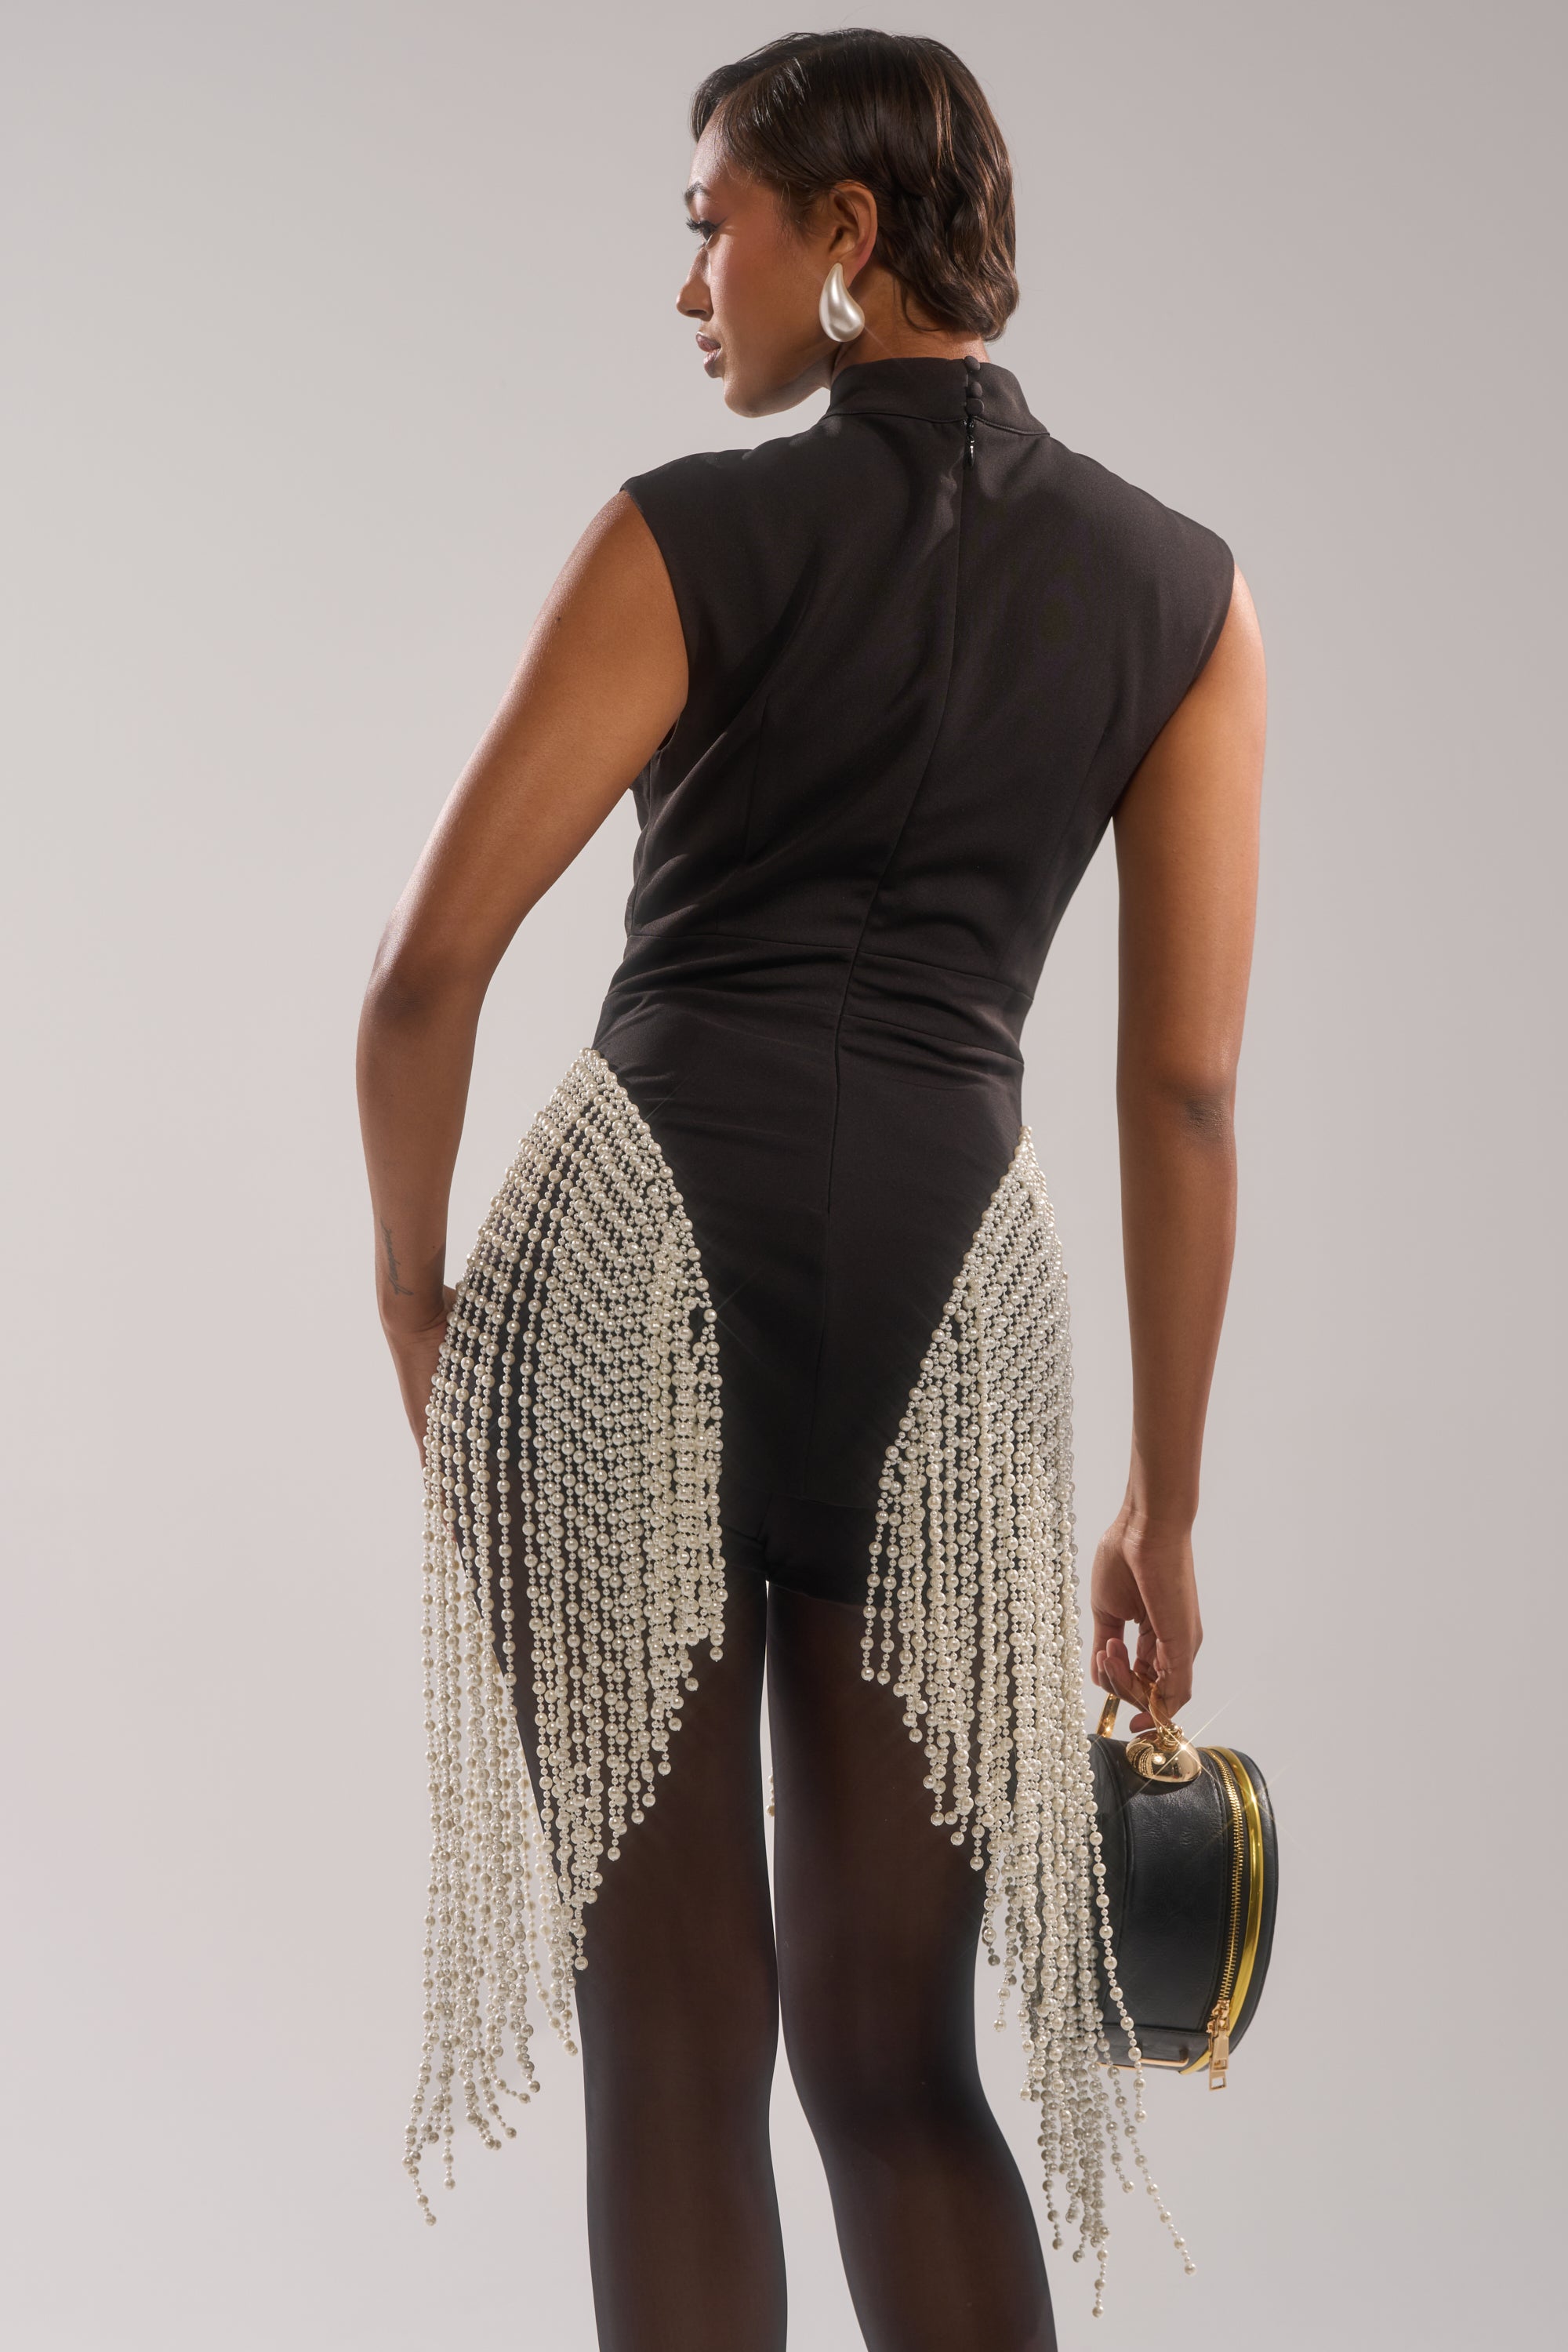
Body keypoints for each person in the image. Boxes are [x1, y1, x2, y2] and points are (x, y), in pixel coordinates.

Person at [356, 28, 1265, 2352]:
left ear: (841, 236)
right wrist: (1167, 1502)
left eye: (709, 219)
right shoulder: (1187, 598)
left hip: (626, 1279)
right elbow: (1180, 1097)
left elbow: (424, 979)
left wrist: (415, 1313)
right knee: (894, 2054)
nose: (690, 281)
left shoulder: (690, 533)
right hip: (947, 1321)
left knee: (679, 2044)